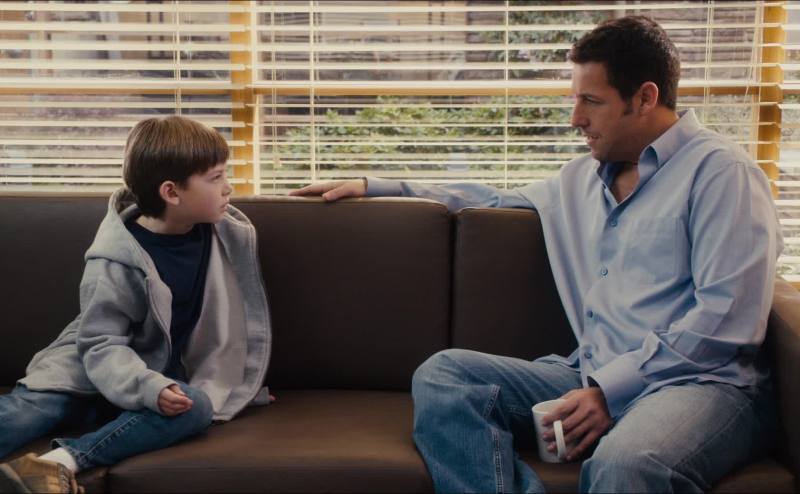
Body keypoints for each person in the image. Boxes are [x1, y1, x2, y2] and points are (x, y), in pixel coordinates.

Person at [291, 15, 783, 493]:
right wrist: (379, 186)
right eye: (575, 100)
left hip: (701, 386)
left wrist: (609, 391)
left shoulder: (723, 174)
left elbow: (725, 323)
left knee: (627, 464)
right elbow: (488, 199)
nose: (575, 119)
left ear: (645, 98)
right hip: (588, 373)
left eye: (591, 101)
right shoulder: (581, 179)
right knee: (445, 376)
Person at [0, 116, 273, 494]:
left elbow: (232, 322)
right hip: (87, 372)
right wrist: (146, 385)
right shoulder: (114, 258)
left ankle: (57, 463)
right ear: (171, 192)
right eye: (215, 178)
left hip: (153, 380)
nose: (228, 187)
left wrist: (239, 382)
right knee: (28, 414)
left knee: (196, 407)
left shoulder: (227, 236)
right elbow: (100, 344)